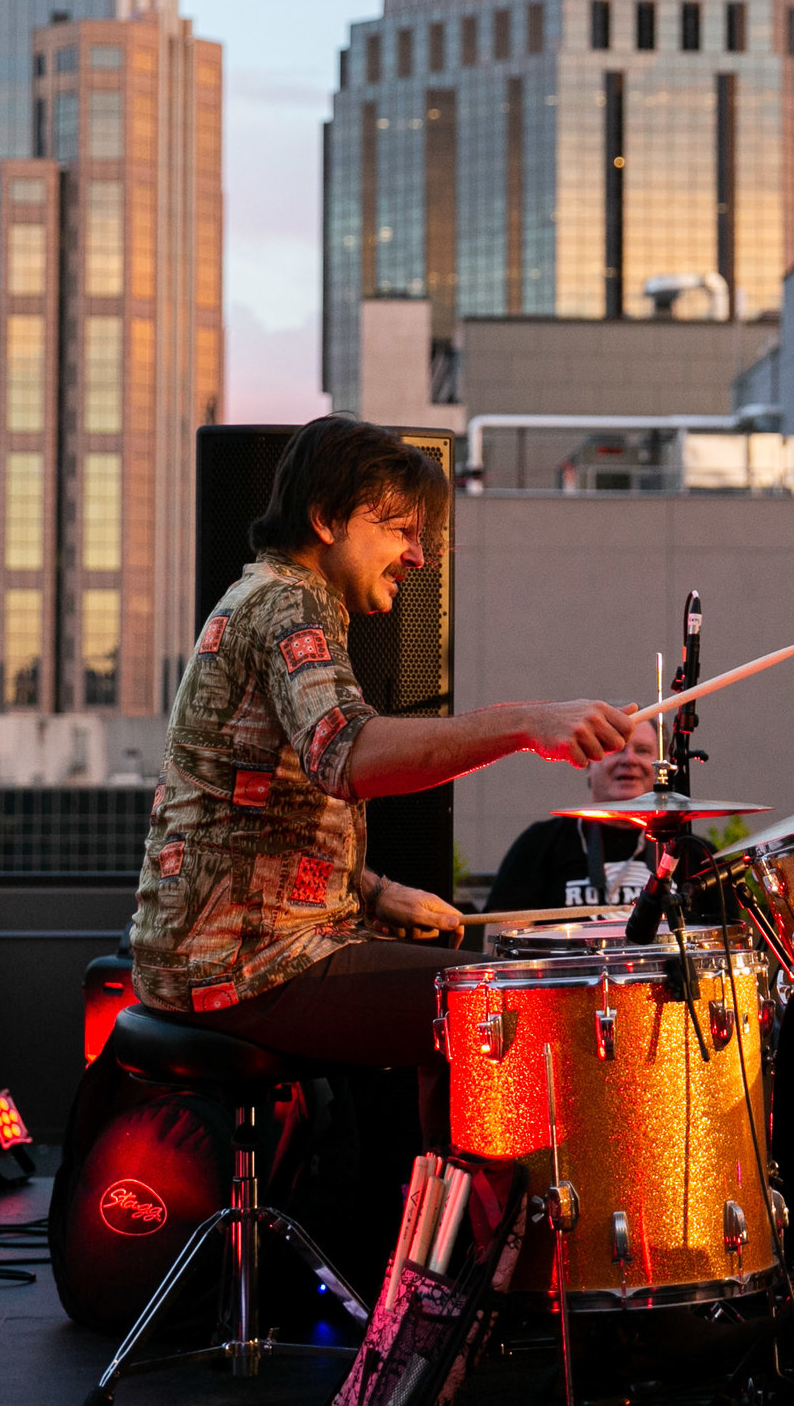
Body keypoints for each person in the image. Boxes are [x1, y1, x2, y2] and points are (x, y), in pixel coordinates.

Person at [128, 415, 635, 1140]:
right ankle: (460, 1250)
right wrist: (529, 723)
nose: (418, 557)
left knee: (462, 990)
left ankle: (425, 1233)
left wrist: (375, 891)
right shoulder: (287, 603)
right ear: (328, 517)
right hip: (244, 967)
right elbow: (349, 757)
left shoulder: (269, 596)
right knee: (500, 1009)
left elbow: (246, 817)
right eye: (400, 529)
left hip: (221, 952)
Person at [486, 718, 662, 912]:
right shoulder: (540, 843)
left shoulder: (688, 850)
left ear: (662, 768)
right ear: (588, 764)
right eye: (615, 749)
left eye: (643, 750)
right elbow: (501, 937)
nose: (629, 760)